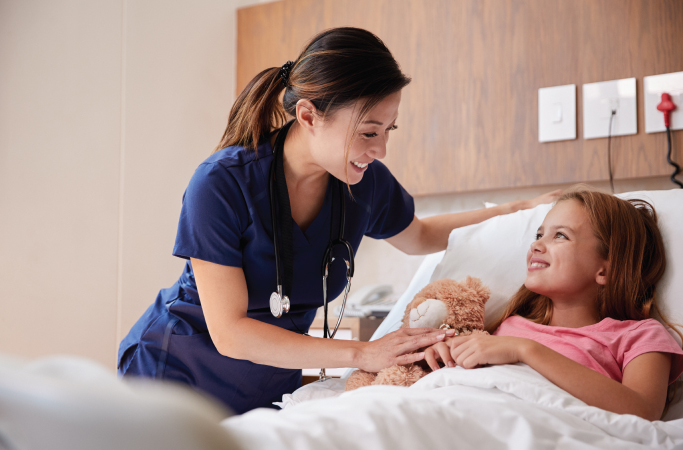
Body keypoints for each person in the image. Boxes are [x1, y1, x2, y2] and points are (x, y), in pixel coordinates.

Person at [117, 27, 559, 415]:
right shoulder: (221, 183)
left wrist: (515, 211)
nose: (381, 149)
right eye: (369, 131)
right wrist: (364, 353)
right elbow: (231, 333)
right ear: (308, 115)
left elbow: (419, 235)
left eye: (389, 131)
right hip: (175, 377)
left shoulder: (363, 184)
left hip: (266, 386)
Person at [423, 188, 683, 421]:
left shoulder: (640, 336)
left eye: (560, 235)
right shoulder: (510, 324)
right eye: (538, 234)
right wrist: (448, 355)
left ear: (605, 270)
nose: (536, 244)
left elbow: (643, 412)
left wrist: (525, 350)